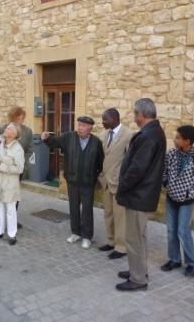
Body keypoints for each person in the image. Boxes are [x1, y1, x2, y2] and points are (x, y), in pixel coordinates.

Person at [115, 98, 166, 291]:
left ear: (142, 115)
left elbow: (137, 169)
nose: (134, 118)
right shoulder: (154, 132)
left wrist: (122, 186)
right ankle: (138, 270)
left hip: (138, 195)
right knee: (140, 237)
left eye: (135, 114)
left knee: (134, 239)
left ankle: (138, 279)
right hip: (142, 194)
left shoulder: (148, 135)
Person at [41, 116, 104, 249]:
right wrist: (46, 139)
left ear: (90, 128)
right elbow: (55, 143)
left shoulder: (96, 142)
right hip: (73, 180)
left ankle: (86, 236)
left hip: (88, 182)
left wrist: (95, 177)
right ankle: (75, 232)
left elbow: (100, 162)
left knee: (87, 210)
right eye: (79, 125)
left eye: (83, 126)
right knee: (73, 207)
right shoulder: (69, 137)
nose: (80, 128)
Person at [161, 125, 194, 277]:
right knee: (170, 231)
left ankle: (191, 264)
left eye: (178, 138)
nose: (175, 140)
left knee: (183, 231)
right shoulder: (172, 154)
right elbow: (164, 171)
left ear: (187, 141)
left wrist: (189, 193)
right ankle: (174, 259)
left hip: (186, 202)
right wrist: (166, 183)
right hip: (171, 198)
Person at [97, 108, 134, 260]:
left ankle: (121, 246)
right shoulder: (104, 134)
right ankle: (111, 241)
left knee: (120, 217)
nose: (103, 122)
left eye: (105, 119)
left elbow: (131, 161)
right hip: (105, 182)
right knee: (108, 214)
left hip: (119, 183)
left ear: (114, 118)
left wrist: (125, 180)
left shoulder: (128, 135)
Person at [0, 123, 25, 246]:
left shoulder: (18, 148)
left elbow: (19, 168)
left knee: (10, 209)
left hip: (10, 183)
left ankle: (12, 234)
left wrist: (2, 167)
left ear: (14, 134)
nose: (5, 129)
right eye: (6, 128)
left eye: (8, 128)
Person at [0, 106, 33, 229]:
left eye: (22, 118)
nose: (20, 120)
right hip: (3, 167)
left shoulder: (27, 131)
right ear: (12, 118)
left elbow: (29, 149)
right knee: (3, 193)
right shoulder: (4, 129)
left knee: (14, 195)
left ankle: (12, 218)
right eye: (18, 118)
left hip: (18, 169)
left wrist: (24, 163)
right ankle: (1, 220)